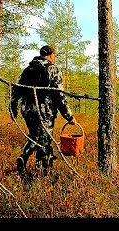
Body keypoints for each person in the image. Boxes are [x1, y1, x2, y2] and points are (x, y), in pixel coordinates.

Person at [11, 45, 76, 177]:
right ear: (51, 55)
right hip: (44, 111)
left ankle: (23, 157)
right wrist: (69, 116)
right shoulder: (53, 69)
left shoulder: (27, 69)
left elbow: (16, 89)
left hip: (27, 109)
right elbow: (60, 96)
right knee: (45, 140)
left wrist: (13, 108)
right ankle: (43, 173)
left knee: (35, 136)